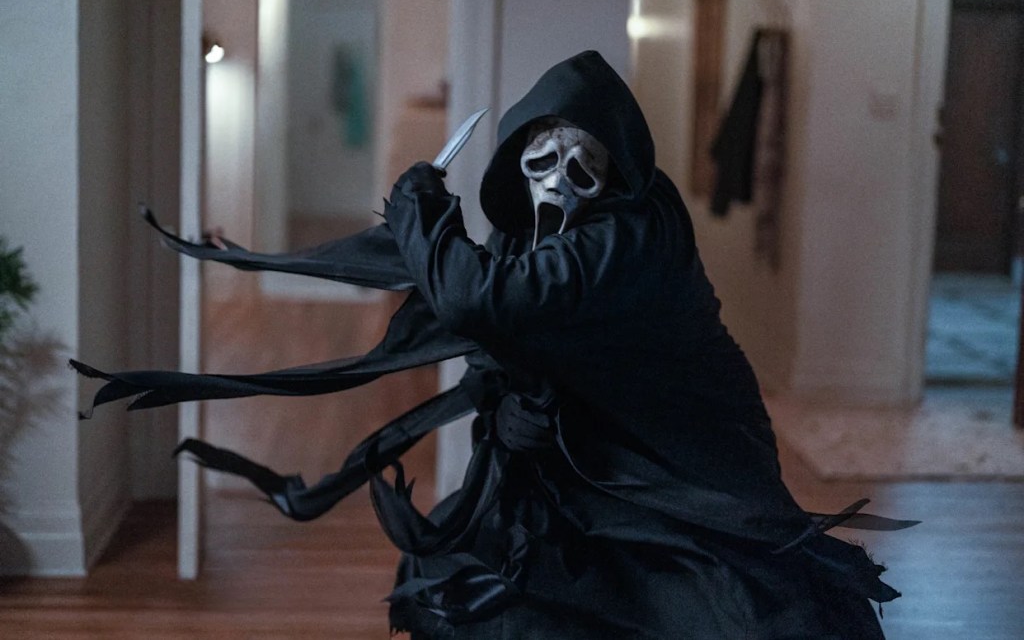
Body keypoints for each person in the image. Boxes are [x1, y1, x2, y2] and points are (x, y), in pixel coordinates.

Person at [73, 51, 913, 639]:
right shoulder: (540, 236)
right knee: (506, 600)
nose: (557, 188)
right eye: (542, 163)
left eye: (580, 169)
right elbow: (503, 332)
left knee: (730, 608)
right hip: (590, 462)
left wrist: (418, 201)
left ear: (614, 173)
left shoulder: (626, 237)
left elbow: (479, 298)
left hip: (680, 453)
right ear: (517, 162)